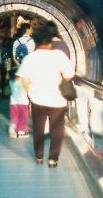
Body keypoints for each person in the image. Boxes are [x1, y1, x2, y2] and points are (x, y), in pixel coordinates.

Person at [17, 26, 75, 168]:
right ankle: (53, 159)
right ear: (50, 41)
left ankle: (39, 156)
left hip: (37, 99)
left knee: (38, 128)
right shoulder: (59, 55)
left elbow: (22, 78)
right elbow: (69, 75)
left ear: (35, 41)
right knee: (57, 130)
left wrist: (30, 92)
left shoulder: (30, 58)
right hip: (58, 100)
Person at [8, 68, 30, 138]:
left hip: (13, 102)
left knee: (15, 117)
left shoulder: (11, 81)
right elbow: (28, 89)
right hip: (23, 102)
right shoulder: (22, 82)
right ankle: (21, 132)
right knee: (23, 117)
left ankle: (13, 127)